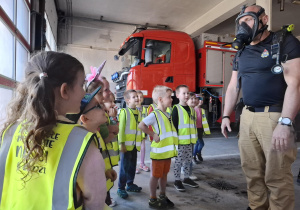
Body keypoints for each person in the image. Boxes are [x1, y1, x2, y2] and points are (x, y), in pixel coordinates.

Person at [0, 52, 107, 210]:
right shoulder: (81, 143)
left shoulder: (10, 131)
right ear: (65, 91)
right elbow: (95, 203)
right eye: (81, 85)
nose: (84, 93)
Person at [221, 5, 300, 210]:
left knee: (277, 175)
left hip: (275, 116)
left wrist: (285, 122)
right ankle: (257, 207)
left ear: (263, 19)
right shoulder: (242, 50)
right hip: (247, 117)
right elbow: (232, 86)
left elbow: (295, 84)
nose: (243, 26)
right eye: (240, 22)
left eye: (248, 20)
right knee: (252, 173)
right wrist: (225, 115)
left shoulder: (285, 42)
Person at [68, 86, 116, 210]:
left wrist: (104, 170)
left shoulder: (95, 134)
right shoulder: (82, 145)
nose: (103, 107)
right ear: (84, 119)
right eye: (98, 106)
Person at [138, 85, 178, 209]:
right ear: (160, 99)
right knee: (155, 176)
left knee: (164, 175)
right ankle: (152, 198)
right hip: (159, 153)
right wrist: (152, 134)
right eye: (169, 97)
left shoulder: (168, 113)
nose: (171, 99)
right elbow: (141, 125)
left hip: (166, 153)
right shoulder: (155, 114)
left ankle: (162, 195)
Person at [172, 85, 199, 191]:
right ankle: (177, 180)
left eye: (188, 93)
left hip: (190, 141)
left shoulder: (192, 110)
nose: (187, 95)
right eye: (184, 93)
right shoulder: (176, 109)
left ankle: (186, 178)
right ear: (177, 95)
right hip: (180, 142)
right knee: (178, 162)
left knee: (188, 161)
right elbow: (173, 126)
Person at [117, 89, 143, 199]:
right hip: (126, 146)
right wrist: (121, 143)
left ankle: (130, 184)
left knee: (132, 166)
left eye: (137, 96)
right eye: (134, 97)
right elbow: (121, 129)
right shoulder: (124, 112)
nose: (137, 98)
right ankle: (121, 188)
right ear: (127, 100)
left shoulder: (138, 112)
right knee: (124, 167)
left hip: (134, 146)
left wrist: (141, 139)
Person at [135, 90, 150, 173]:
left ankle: (142, 164)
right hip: (135, 133)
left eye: (141, 97)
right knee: (134, 150)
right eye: (137, 97)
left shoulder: (144, 109)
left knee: (143, 148)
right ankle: (134, 166)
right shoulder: (133, 109)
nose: (139, 98)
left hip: (142, 132)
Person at [193, 94, 210, 162]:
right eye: (199, 99)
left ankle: (196, 154)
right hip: (195, 129)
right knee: (201, 143)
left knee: (198, 143)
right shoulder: (193, 109)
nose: (201, 101)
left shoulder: (202, 110)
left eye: (202, 99)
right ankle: (196, 154)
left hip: (200, 129)